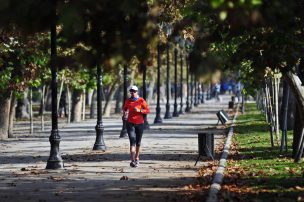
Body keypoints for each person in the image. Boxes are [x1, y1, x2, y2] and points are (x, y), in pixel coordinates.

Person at [122, 85, 150, 167]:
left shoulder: (141, 100)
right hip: (130, 123)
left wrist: (140, 110)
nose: (132, 92)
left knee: (138, 142)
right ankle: (132, 160)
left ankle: (137, 157)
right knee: (132, 141)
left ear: (137, 92)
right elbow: (125, 108)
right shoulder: (128, 101)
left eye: (134, 91)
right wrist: (124, 114)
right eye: (131, 91)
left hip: (140, 124)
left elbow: (147, 110)